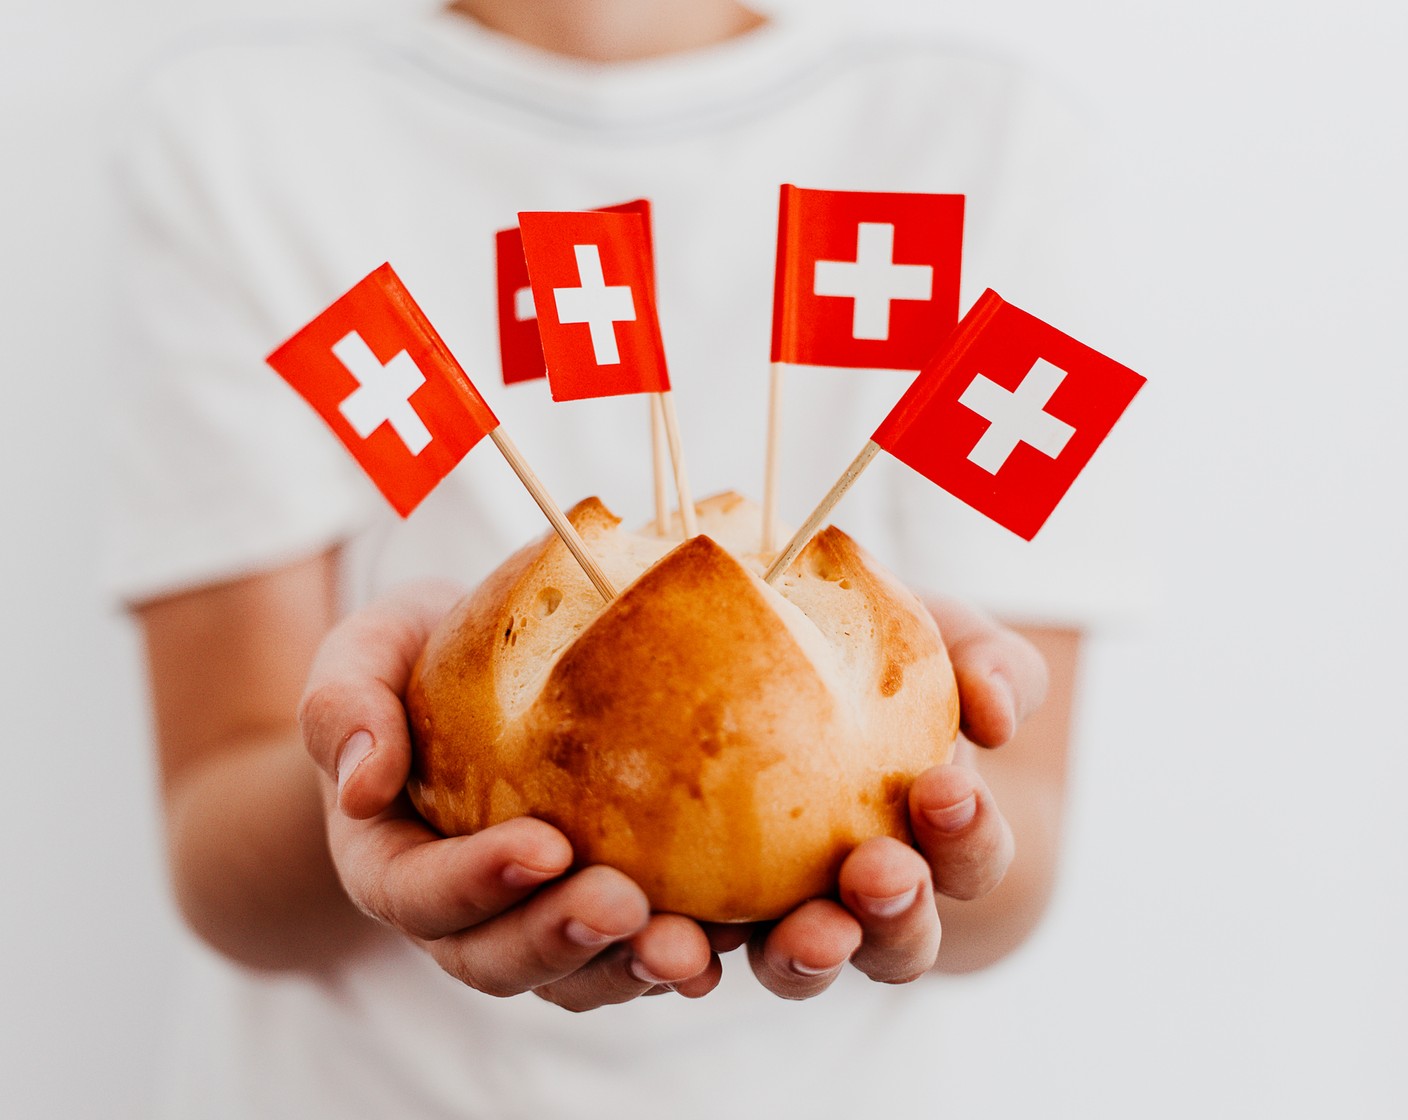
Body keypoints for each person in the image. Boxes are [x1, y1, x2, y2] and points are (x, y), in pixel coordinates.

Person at [109, 1, 1126, 1115]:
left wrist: (949, 822)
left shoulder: (988, 138)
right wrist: (385, 772)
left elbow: (1018, 851)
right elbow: (218, 846)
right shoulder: (242, 137)